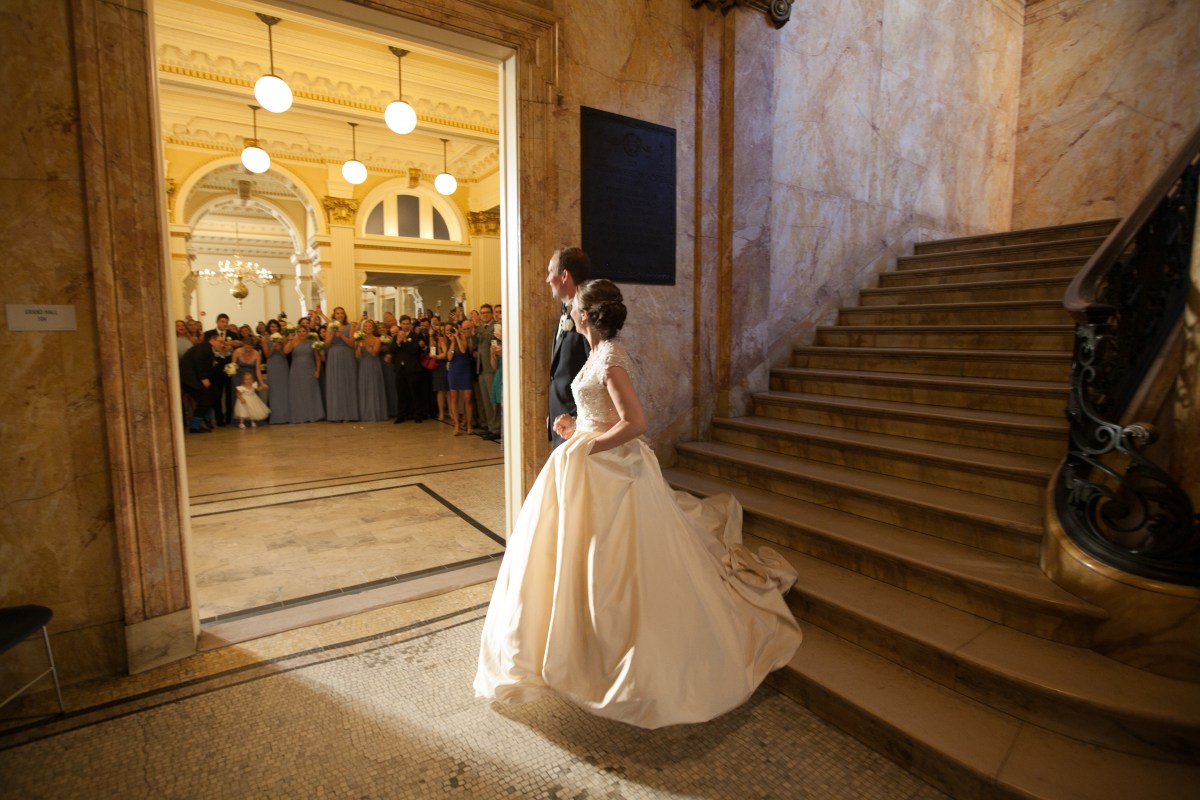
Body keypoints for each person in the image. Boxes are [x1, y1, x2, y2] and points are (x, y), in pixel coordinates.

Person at [475, 279, 802, 729]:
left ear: (587, 315)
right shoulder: (596, 354)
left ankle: (617, 658)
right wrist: (577, 428)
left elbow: (635, 422)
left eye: (574, 306)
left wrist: (588, 446)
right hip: (588, 462)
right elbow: (603, 414)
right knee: (574, 558)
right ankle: (576, 646)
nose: (569, 310)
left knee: (617, 565)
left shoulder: (610, 357)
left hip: (610, 470)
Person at [546, 247, 592, 446]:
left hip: (577, 426)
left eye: (550, 272)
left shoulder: (587, 315)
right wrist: (553, 411)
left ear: (564, 275)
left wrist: (575, 420)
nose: (547, 279)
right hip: (561, 420)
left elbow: (595, 373)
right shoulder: (566, 311)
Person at [179, 329, 223, 434]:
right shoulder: (205, 347)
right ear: (212, 340)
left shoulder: (206, 348)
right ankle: (195, 426)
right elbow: (198, 360)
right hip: (190, 379)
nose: (222, 344)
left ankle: (204, 421)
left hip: (192, 379)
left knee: (213, 394)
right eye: (220, 342)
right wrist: (204, 378)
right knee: (205, 401)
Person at [322, 306, 359, 421]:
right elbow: (326, 344)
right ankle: (336, 414)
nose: (340, 315)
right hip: (334, 356)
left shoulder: (350, 326)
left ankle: (350, 414)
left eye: (342, 313)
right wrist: (333, 334)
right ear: (334, 316)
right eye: (337, 313)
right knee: (335, 383)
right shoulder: (330, 327)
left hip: (347, 355)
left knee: (348, 382)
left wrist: (341, 335)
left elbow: (352, 344)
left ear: (345, 315)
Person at [284, 321, 324, 423]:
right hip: (296, 370)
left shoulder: (312, 343)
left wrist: (317, 370)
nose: (302, 333)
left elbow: (318, 358)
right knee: (297, 393)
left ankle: (312, 415)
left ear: (307, 332)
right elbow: (286, 351)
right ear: (297, 332)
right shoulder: (293, 342)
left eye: (304, 331)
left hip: (309, 370)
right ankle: (300, 416)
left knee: (310, 392)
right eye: (300, 331)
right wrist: (289, 340)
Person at [390, 319, 426, 424]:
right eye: (403, 324)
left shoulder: (416, 336)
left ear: (410, 325)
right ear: (400, 324)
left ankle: (417, 415)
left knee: (414, 392)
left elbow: (415, 351)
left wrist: (405, 340)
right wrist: (398, 341)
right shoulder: (397, 336)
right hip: (400, 369)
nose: (405, 326)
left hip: (412, 368)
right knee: (401, 393)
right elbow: (391, 350)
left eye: (407, 324)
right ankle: (401, 415)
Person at [355, 319, 389, 422]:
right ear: (363, 328)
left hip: (374, 365)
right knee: (365, 388)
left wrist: (366, 345)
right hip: (364, 365)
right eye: (366, 326)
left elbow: (374, 354)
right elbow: (357, 356)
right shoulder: (360, 339)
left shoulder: (377, 339)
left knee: (374, 388)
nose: (368, 328)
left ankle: (376, 413)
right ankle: (366, 413)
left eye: (370, 326)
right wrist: (359, 346)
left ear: (373, 328)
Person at [446, 323, 475, 436]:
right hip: (454, 370)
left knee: (467, 399)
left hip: (465, 370)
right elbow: (449, 357)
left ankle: (469, 425)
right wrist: (452, 341)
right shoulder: (450, 341)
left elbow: (463, 350)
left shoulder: (463, 338)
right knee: (454, 399)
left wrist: (457, 336)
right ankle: (456, 425)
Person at [262, 319, 290, 424]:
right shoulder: (265, 339)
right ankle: (276, 417)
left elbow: (285, 355)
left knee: (284, 389)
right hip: (272, 364)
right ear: (269, 328)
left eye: (276, 326)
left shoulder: (283, 338)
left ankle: (286, 416)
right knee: (274, 390)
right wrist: (273, 348)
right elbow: (267, 355)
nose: (274, 328)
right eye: (272, 326)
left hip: (282, 364)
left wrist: (279, 349)